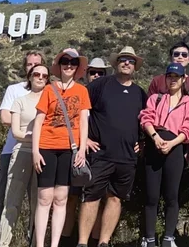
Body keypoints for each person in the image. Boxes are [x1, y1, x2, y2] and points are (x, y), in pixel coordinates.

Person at [77, 46, 147, 247]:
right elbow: (81, 111)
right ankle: (82, 243)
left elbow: (145, 121)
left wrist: (142, 143)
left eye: (131, 61)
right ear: (116, 63)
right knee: (92, 197)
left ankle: (104, 242)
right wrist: (85, 140)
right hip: (100, 154)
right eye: (123, 59)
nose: (127, 63)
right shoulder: (100, 85)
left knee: (116, 199)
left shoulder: (140, 93)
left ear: (135, 66)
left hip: (126, 158)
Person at [31, 48, 93, 247]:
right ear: (59, 64)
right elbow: (39, 121)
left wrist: (82, 150)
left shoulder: (82, 91)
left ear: (77, 67)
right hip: (46, 148)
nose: (69, 65)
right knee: (44, 197)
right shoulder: (49, 89)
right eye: (65, 61)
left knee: (61, 198)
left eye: (73, 62)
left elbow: (84, 122)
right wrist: (35, 151)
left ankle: (54, 244)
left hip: (70, 149)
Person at [139, 63, 189, 247]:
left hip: (175, 150)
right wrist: (156, 138)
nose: (173, 80)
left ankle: (168, 238)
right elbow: (146, 118)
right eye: (169, 76)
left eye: (177, 77)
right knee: (151, 195)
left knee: (172, 195)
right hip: (154, 148)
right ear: (165, 79)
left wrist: (172, 143)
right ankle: (150, 238)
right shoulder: (156, 99)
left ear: (183, 79)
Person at [0, 50, 44, 247]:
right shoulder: (15, 90)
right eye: (30, 65)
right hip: (13, 151)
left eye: (38, 66)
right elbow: (5, 118)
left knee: (38, 203)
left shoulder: (48, 92)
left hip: (41, 153)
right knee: (4, 200)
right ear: (26, 68)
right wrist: (29, 130)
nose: (34, 70)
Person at [62, 57, 111, 247]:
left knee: (96, 198)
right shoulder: (79, 93)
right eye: (93, 72)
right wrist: (85, 140)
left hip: (100, 155)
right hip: (76, 152)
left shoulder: (107, 97)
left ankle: (94, 240)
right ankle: (65, 240)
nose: (97, 76)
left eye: (101, 73)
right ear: (87, 74)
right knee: (71, 197)